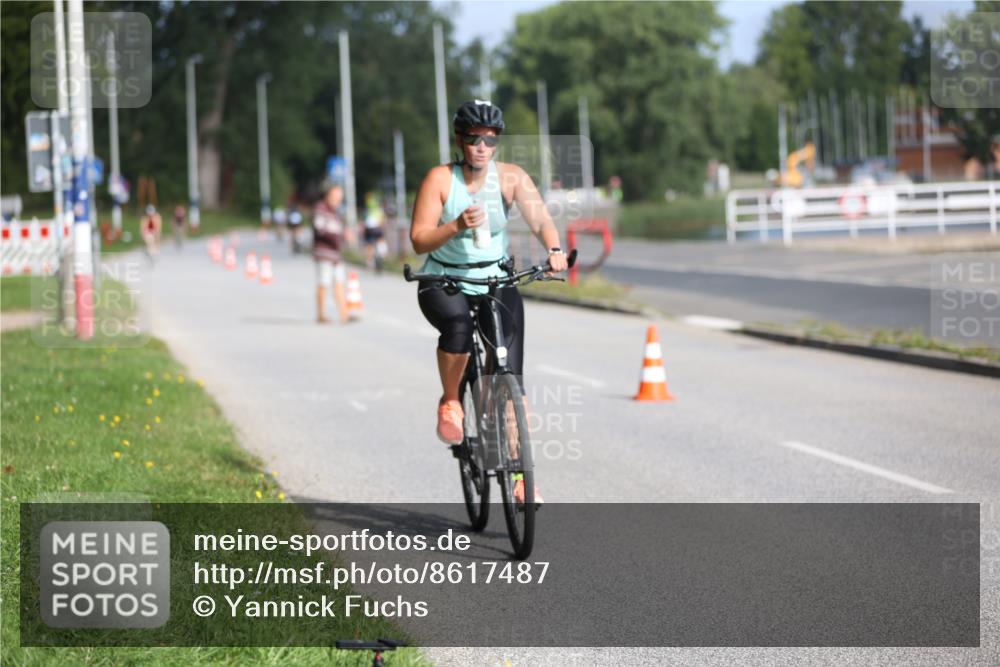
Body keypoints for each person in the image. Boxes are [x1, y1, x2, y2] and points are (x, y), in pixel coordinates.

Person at [409, 100, 568, 504]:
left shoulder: (511, 177)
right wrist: (456, 225)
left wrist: (554, 249)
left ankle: (520, 476)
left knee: (510, 375)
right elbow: (419, 239)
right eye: (474, 139)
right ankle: (450, 402)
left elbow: (540, 219)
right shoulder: (440, 179)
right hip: (445, 279)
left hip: (494, 278)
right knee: (459, 329)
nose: (482, 147)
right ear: (460, 140)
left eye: (490, 140)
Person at [312, 181, 353, 323]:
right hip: (324, 253)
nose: (338, 199)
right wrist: (340, 236)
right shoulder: (320, 208)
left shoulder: (336, 212)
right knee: (324, 283)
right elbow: (321, 229)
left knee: (340, 282)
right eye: (336, 196)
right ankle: (321, 314)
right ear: (327, 194)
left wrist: (344, 235)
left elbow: (339, 229)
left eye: (340, 197)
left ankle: (344, 314)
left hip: (336, 254)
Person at [362, 191, 388, 273]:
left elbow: (364, 219)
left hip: (369, 227)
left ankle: (370, 262)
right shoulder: (377, 205)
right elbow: (383, 220)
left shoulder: (368, 206)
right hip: (376, 227)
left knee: (369, 245)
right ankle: (382, 255)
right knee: (381, 240)